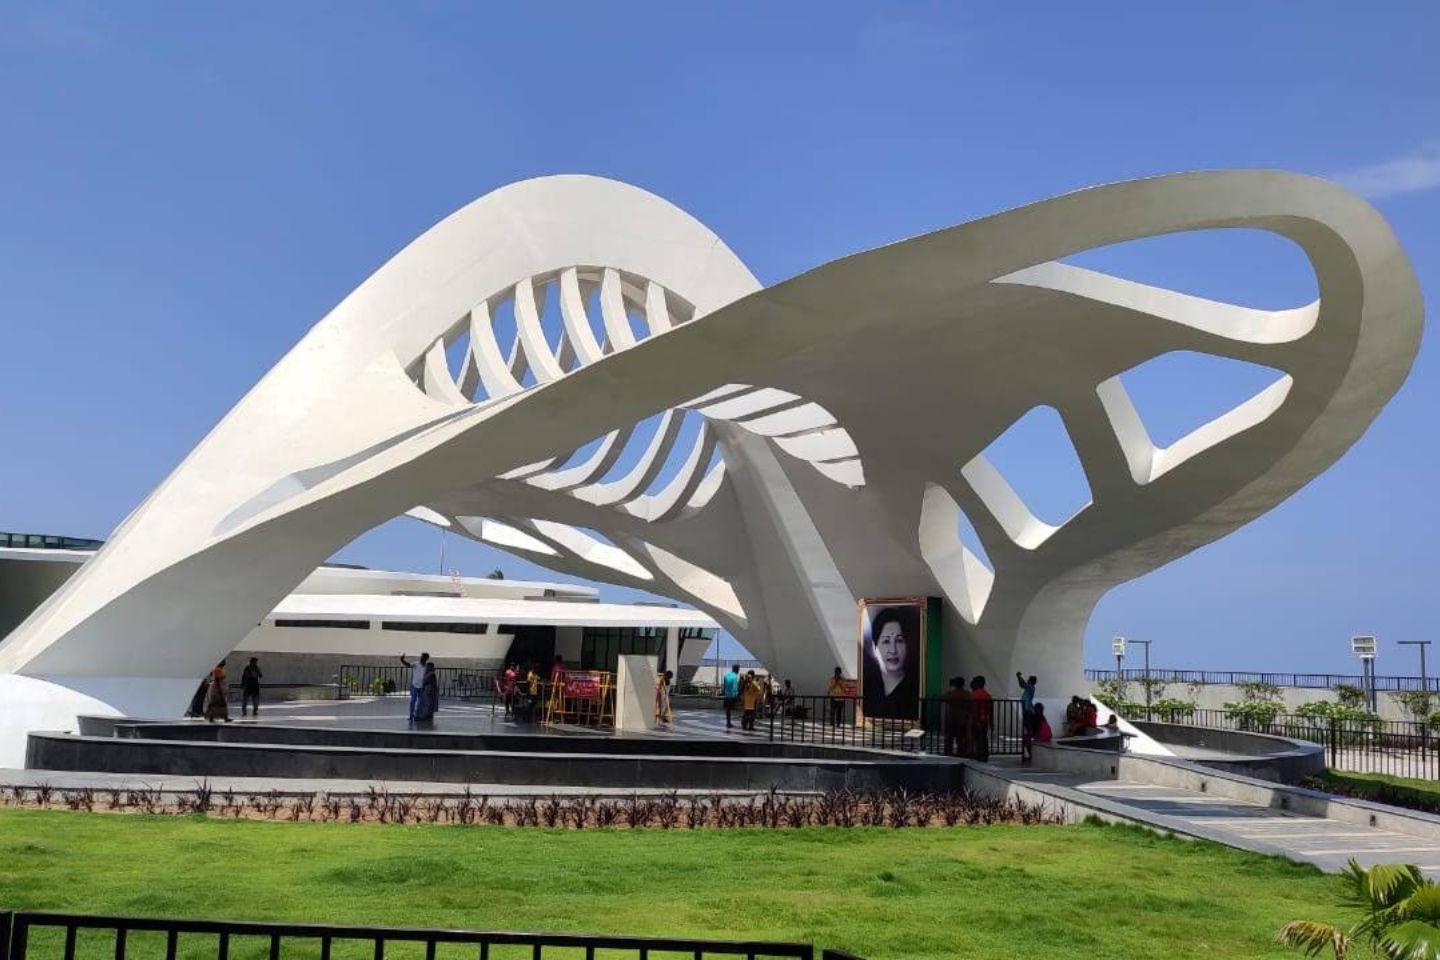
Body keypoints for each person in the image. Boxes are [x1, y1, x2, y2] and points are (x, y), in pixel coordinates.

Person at [861, 606, 920, 720]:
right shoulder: (869, 689)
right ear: (874, 647)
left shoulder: (914, 692)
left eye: (899, 640)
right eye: (886, 641)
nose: (893, 650)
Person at [942, 676, 973, 757]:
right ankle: (961, 753)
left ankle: (948, 753)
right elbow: (971, 706)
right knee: (961, 739)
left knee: (949, 738)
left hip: (951, 719)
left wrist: (951, 689)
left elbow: (942, 698)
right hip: (963, 720)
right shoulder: (968, 694)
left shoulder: (951, 694)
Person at [399, 652, 430, 724]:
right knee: (413, 701)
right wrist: (402, 660)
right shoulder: (416, 664)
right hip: (415, 686)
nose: (421, 658)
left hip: (422, 687)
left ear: (426, 659)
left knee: (421, 702)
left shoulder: (427, 666)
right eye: (421, 657)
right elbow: (408, 665)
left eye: (423, 658)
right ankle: (411, 715)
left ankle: (418, 715)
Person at [970, 675, 992, 761]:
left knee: (977, 738)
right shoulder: (987, 695)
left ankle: (978, 754)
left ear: (977, 683)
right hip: (985, 719)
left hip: (977, 719)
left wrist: (975, 720)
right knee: (984, 737)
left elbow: (974, 708)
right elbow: (990, 710)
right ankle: (984, 754)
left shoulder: (974, 694)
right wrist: (991, 722)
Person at [1016, 672, 1037, 761]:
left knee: (1028, 733)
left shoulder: (1030, 688)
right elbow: (1022, 685)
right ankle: (1029, 753)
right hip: (1027, 711)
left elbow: (1023, 684)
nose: (1027, 681)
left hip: (1028, 712)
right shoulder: (1029, 688)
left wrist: (1019, 676)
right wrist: (1019, 677)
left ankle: (1031, 754)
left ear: (1030, 681)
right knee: (1027, 733)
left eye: (1028, 680)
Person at [722, 664, 742, 729]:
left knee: (728, 710)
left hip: (726, 695)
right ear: (737, 669)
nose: (738, 671)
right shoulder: (735, 677)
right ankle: (730, 723)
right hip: (732, 696)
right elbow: (735, 687)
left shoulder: (726, 675)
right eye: (738, 669)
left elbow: (724, 686)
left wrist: (725, 693)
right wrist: (737, 696)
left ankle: (728, 722)